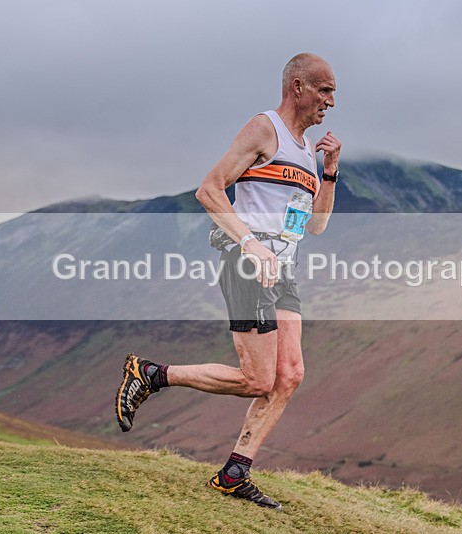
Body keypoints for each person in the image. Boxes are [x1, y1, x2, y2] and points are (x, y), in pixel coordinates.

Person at [115, 52, 341, 509]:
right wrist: (251, 244)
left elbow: (316, 226)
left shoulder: (306, 151)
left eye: (333, 93)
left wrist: (330, 171)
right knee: (258, 379)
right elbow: (209, 189)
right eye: (325, 90)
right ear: (297, 87)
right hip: (248, 264)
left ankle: (234, 474)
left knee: (289, 375)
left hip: (283, 270)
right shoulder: (265, 129)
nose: (331, 102)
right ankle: (151, 374)